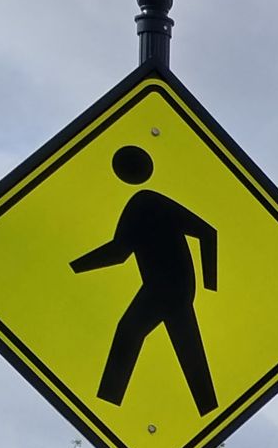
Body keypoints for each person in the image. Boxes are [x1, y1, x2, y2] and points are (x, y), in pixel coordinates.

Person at [71, 145, 221, 415]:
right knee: (186, 347)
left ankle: (108, 403)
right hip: (169, 288)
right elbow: (119, 252)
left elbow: (209, 233)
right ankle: (208, 407)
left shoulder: (148, 202)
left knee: (129, 332)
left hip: (167, 287)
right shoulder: (140, 204)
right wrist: (76, 267)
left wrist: (212, 285)